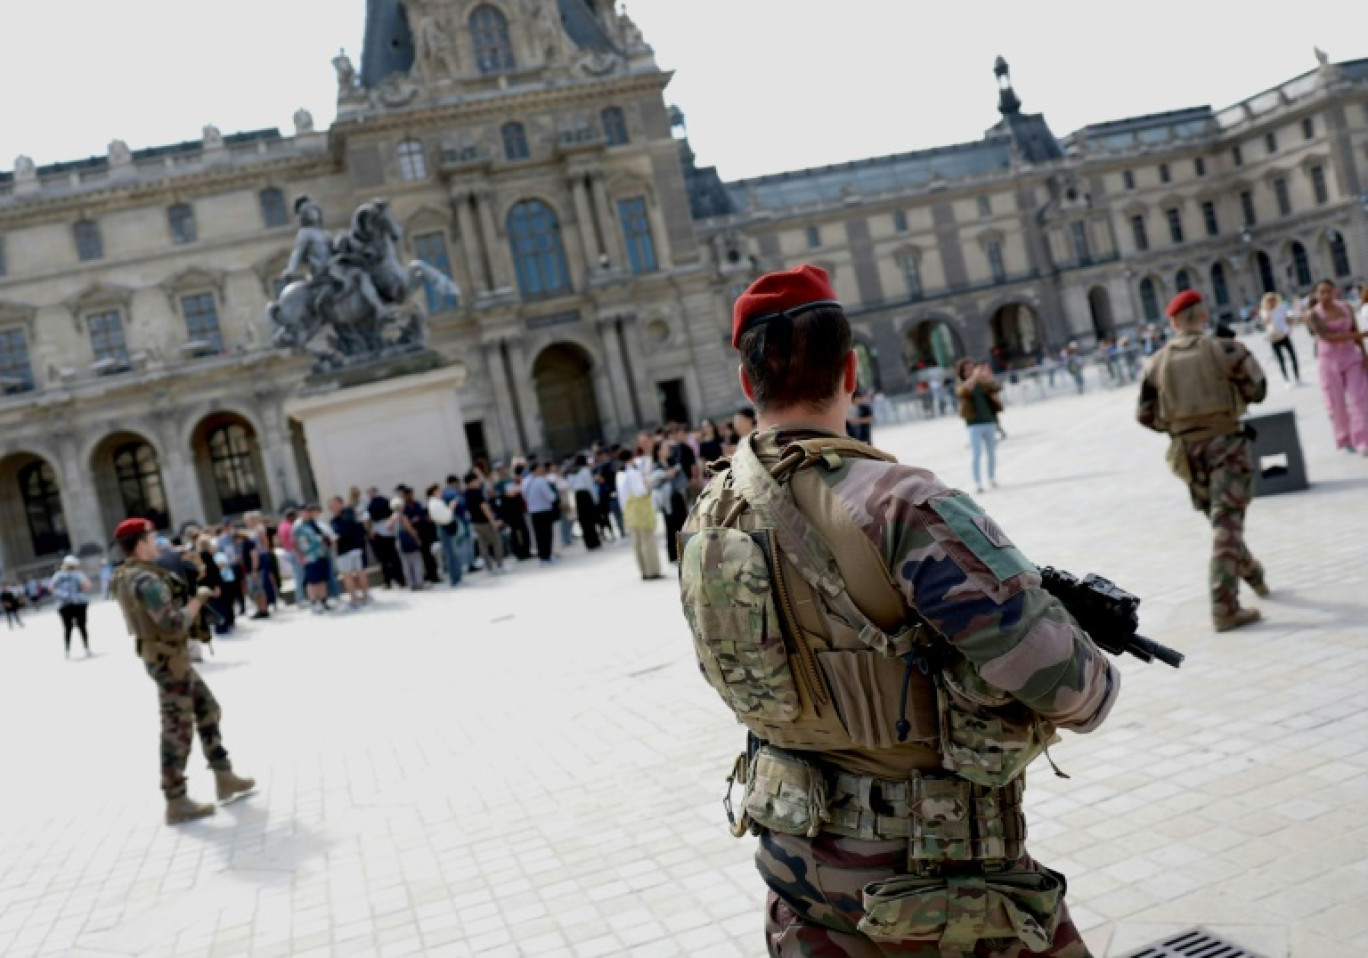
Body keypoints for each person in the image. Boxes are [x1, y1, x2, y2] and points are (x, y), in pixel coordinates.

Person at [679, 264, 1117, 957]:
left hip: (797, 870)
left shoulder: (708, 514)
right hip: (933, 882)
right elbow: (1072, 693)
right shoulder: (898, 502)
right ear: (850, 370)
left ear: (746, 383)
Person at [1137, 290, 1270, 632]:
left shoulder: (1155, 362)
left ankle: (1253, 572)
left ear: (1173, 322)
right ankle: (1224, 606)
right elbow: (1258, 389)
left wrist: (1178, 427)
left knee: (1221, 521)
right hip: (1226, 443)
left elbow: (1144, 414)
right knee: (1226, 522)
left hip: (1186, 451)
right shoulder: (1226, 349)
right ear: (1203, 316)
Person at [110, 518, 256, 825]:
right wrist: (198, 599)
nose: (156, 543)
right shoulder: (145, 580)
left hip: (166, 657)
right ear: (140, 542)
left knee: (207, 708)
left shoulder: (130, 574)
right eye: (151, 538)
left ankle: (224, 775)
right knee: (178, 730)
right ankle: (175, 799)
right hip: (168, 660)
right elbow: (173, 623)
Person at [1305, 280, 1368, 454]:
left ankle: (1362, 439)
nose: (1325, 296)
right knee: (1336, 402)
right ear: (1316, 295)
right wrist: (1362, 334)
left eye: (1328, 291)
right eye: (1321, 292)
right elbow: (1328, 337)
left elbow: (1354, 328)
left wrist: (1364, 353)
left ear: (1335, 292)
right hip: (1329, 361)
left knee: (1359, 397)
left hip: (1351, 357)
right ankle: (1344, 437)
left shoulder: (1346, 307)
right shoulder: (1313, 315)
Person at [956, 358, 1003, 494]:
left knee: (991, 452)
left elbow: (997, 388)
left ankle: (991, 477)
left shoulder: (982, 382)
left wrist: (987, 378)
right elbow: (965, 391)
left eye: (972, 367)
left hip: (989, 421)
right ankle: (977, 482)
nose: (972, 370)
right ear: (963, 372)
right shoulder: (961, 384)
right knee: (976, 453)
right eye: (968, 369)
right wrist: (975, 377)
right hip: (974, 424)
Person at [615, 448, 662, 581]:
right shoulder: (633, 473)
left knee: (637, 543)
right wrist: (646, 482)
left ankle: (643, 570)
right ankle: (652, 570)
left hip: (629, 511)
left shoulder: (619, 474)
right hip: (640, 509)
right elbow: (640, 491)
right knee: (647, 540)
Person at [329, 495, 370, 608]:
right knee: (359, 572)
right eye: (331, 506)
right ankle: (365, 596)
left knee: (348, 575)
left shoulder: (345, 515)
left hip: (347, 549)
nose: (332, 507)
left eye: (334, 504)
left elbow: (344, 531)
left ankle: (355, 599)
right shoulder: (347, 515)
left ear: (341, 503)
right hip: (355, 548)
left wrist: (336, 537)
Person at [651, 440, 688, 564]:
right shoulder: (656, 466)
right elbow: (654, 481)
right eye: (665, 448)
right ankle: (673, 554)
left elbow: (681, 477)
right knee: (671, 527)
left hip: (677, 497)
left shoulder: (673, 462)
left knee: (683, 524)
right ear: (658, 451)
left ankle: (685, 551)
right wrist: (666, 474)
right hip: (666, 501)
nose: (668, 450)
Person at [293, 503, 333, 613]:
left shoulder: (316, 523)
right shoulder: (298, 526)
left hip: (321, 553)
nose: (308, 513)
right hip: (309, 556)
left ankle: (323, 601)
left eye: (309, 511)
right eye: (305, 511)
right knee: (312, 580)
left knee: (322, 578)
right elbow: (298, 544)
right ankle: (314, 602)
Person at [463, 472, 506, 574]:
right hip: (484, 521)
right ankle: (500, 565)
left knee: (483, 545)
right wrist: (493, 521)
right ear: (472, 481)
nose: (478, 482)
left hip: (475, 522)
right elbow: (484, 507)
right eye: (476, 480)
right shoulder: (477, 492)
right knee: (496, 542)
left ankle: (489, 568)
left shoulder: (466, 493)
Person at [49, 556, 92, 657]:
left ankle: (67, 651)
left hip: (63, 605)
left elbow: (51, 588)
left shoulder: (58, 575)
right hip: (79, 603)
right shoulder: (78, 574)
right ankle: (86, 648)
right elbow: (87, 586)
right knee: (82, 626)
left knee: (67, 628)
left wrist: (61, 594)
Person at [1257, 292, 1302, 388]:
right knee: (1281, 360)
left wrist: (1290, 328)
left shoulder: (1281, 308)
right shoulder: (1264, 311)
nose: (1271, 302)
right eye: (1269, 300)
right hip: (1274, 337)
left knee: (1293, 356)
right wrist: (1268, 314)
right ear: (1265, 302)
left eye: (1273, 299)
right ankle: (1286, 380)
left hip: (1284, 335)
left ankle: (1297, 378)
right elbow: (1265, 322)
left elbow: (1288, 319)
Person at [524, 461, 560, 565]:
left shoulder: (525, 482)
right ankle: (547, 556)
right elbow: (550, 497)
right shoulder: (541, 481)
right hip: (544, 510)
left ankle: (542, 557)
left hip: (533, 511)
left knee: (539, 535)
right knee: (547, 535)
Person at [427, 483, 462, 586]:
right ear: (434, 492)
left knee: (453, 554)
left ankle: (457, 577)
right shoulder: (434, 503)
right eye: (439, 490)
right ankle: (454, 579)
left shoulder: (437, 502)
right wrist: (451, 507)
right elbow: (445, 518)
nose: (441, 492)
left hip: (446, 528)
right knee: (451, 554)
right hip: (444, 529)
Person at [387, 497, 426, 589]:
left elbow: (388, 528)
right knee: (416, 561)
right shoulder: (402, 516)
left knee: (405, 564)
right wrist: (417, 539)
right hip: (409, 542)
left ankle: (410, 583)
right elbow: (410, 529)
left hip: (399, 542)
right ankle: (419, 583)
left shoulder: (392, 517)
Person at [568, 456, 602, 550]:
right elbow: (590, 485)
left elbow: (570, 485)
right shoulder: (585, 470)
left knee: (584, 520)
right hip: (586, 495)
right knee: (590, 519)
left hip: (578, 495)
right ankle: (594, 541)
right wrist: (595, 498)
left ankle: (589, 543)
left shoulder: (572, 472)